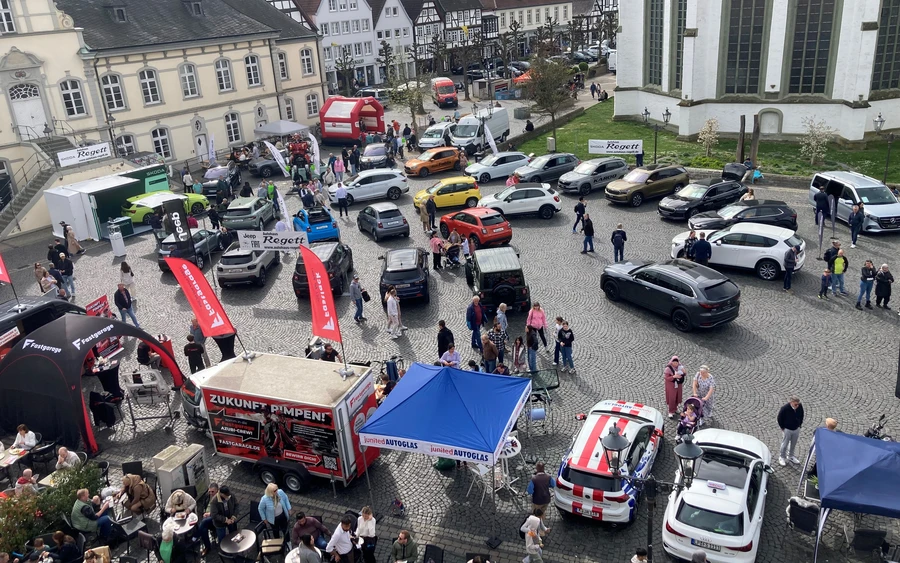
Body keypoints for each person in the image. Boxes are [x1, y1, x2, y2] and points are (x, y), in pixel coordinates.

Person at [777, 397, 804, 466]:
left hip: (796, 428)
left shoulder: (799, 406)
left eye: (798, 404)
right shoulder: (784, 408)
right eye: (795, 404)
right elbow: (779, 418)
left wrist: (799, 424)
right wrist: (783, 428)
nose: (797, 406)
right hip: (787, 429)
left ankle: (791, 456)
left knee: (793, 443)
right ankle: (782, 457)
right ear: (791, 402)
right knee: (785, 444)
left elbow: (801, 415)